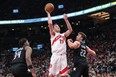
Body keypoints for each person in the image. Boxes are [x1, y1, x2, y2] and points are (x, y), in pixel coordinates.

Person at [45, 10, 72, 77]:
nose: (58, 27)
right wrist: (48, 14)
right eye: (56, 26)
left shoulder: (63, 35)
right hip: (55, 56)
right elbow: (50, 24)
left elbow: (70, 30)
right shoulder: (53, 35)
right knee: (51, 75)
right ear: (53, 29)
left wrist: (66, 20)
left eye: (58, 26)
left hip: (63, 56)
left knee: (64, 75)